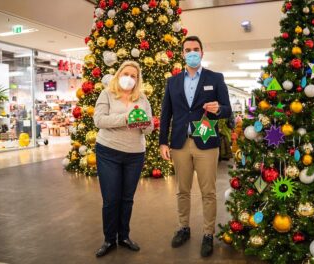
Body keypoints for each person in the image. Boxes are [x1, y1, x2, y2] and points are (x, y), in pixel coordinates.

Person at [159, 36, 232, 257]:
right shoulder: (172, 82)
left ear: (202, 52)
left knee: (208, 191)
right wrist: (163, 141)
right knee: (182, 190)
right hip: (180, 143)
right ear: (182, 53)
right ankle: (184, 228)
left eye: (196, 49)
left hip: (206, 143)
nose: (192, 53)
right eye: (187, 49)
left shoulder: (215, 78)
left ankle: (208, 233)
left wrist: (218, 108)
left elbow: (228, 110)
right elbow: (166, 115)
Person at [93, 60, 153, 257]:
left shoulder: (142, 99)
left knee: (127, 199)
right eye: (126, 74)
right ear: (119, 75)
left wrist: (142, 122)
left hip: (135, 154)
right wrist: (126, 119)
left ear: (138, 80)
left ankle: (124, 236)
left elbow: (149, 128)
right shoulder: (107, 94)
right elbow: (99, 120)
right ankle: (109, 239)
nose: (129, 78)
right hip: (108, 152)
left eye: (134, 76)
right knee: (111, 199)